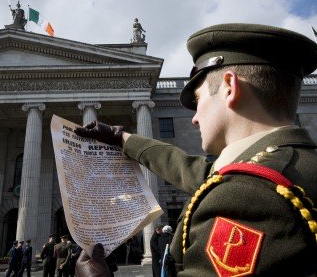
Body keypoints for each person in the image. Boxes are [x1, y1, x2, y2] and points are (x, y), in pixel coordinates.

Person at [74, 23, 317, 276]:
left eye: (198, 100)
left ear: (229, 87)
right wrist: (122, 138)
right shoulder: (282, 165)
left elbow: (227, 185)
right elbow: (191, 169)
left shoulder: (248, 196)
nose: (194, 118)